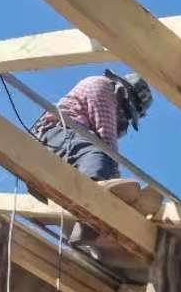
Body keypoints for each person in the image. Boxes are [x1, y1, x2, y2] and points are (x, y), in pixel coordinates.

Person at [30, 70, 155, 250]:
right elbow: (107, 139)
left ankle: (85, 230)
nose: (124, 117)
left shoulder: (109, 96)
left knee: (96, 158)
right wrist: (113, 179)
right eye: (127, 111)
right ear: (123, 93)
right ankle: (93, 205)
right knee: (98, 154)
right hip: (55, 134)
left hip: (64, 144)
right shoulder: (102, 86)